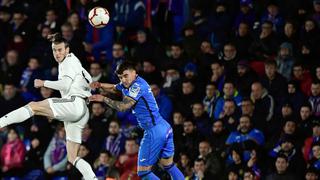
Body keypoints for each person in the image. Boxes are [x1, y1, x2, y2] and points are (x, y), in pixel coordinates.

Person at [0, 33, 97, 180]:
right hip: (81, 111)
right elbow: (87, 81)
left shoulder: (68, 62)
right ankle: (92, 178)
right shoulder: (73, 62)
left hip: (74, 103)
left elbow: (65, 84)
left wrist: (43, 82)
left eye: (59, 50)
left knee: (33, 106)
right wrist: (56, 37)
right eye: (54, 50)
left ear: (67, 50)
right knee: (72, 157)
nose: (57, 53)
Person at [89, 61, 184, 179]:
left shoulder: (137, 86)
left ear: (134, 73)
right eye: (120, 77)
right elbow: (115, 88)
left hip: (153, 130)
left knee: (144, 172)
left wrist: (104, 99)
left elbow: (123, 106)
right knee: (168, 165)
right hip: (164, 127)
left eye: (125, 75)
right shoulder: (129, 83)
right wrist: (100, 85)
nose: (123, 80)